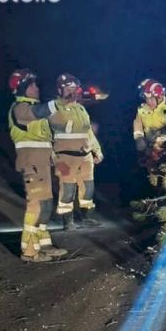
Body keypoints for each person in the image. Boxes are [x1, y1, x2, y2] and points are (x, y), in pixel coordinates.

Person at [5, 68, 67, 261]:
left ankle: (44, 244)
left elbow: (48, 137)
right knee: (37, 205)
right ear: (22, 88)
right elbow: (40, 111)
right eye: (32, 85)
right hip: (31, 164)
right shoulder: (20, 108)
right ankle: (30, 251)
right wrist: (59, 102)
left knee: (46, 204)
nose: (36, 88)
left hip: (42, 164)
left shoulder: (35, 111)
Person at [48, 73, 103, 229]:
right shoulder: (53, 108)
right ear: (60, 90)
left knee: (88, 188)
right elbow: (45, 133)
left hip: (85, 157)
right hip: (65, 157)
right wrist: (51, 155)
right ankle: (67, 221)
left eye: (74, 88)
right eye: (68, 89)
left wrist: (97, 150)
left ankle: (87, 217)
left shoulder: (80, 109)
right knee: (68, 189)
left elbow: (88, 132)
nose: (72, 92)